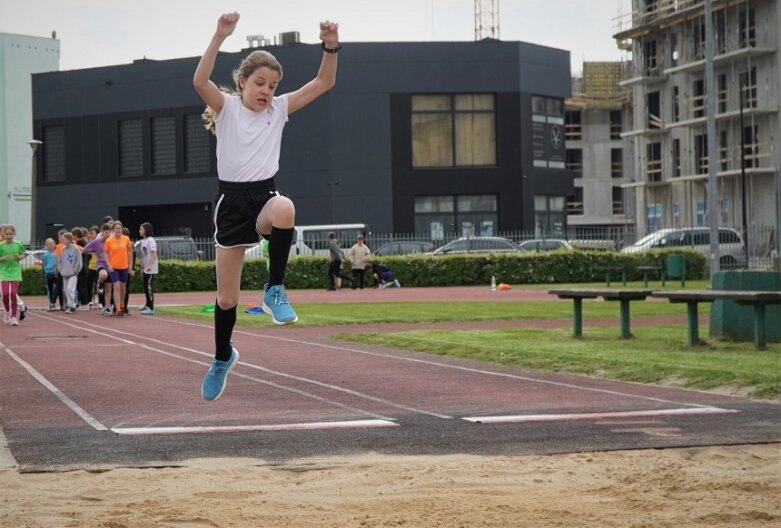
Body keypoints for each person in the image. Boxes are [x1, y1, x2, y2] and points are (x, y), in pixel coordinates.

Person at [194, 12, 340, 401]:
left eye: (273, 86)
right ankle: (223, 356)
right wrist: (219, 35)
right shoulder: (226, 108)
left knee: (286, 208)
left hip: (264, 197)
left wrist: (330, 45)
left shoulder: (278, 110)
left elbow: (325, 81)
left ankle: (275, 289)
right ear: (242, 82)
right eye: (260, 83)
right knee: (227, 300)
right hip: (231, 204)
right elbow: (199, 81)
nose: (267, 92)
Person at [103, 221, 133, 316]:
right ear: (113, 230)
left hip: (124, 266)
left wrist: (130, 266)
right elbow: (105, 253)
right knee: (116, 286)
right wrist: (108, 264)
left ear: (122, 229)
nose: (118, 230)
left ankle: (122, 304)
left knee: (123, 288)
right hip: (114, 267)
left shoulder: (126, 239)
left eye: (119, 228)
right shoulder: (109, 240)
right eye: (116, 229)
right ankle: (118, 309)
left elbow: (129, 253)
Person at [0, 224, 27, 326]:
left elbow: (24, 254)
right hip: (3, 272)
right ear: (3, 234)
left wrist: (19, 257)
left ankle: (14, 317)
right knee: (5, 294)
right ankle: (7, 311)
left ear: (14, 234)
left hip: (15, 271)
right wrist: (2, 258)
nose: (9, 236)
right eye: (7, 234)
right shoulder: (1, 245)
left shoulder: (18, 244)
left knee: (13, 294)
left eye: (10, 234)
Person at [83, 223, 112, 312]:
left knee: (108, 288)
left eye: (109, 233)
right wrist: (93, 253)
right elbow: (85, 250)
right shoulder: (97, 241)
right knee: (103, 275)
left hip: (111, 265)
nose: (108, 234)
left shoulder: (111, 241)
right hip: (101, 264)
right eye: (106, 232)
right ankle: (99, 282)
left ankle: (107, 306)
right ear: (102, 232)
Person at [56, 232, 83, 314]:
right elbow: (59, 260)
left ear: (69, 239)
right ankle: (70, 305)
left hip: (73, 274)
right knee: (65, 290)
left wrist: (75, 270)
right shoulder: (63, 249)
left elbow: (78, 261)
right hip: (65, 273)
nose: (62, 240)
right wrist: (60, 269)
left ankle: (72, 305)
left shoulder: (75, 249)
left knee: (70, 289)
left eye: (64, 239)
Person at [138, 222, 158, 315]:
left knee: (149, 286)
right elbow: (144, 255)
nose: (139, 231)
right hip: (146, 268)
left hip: (151, 269)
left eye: (141, 229)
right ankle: (147, 304)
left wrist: (150, 265)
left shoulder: (151, 240)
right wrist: (142, 266)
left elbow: (154, 253)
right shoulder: (143, 241)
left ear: (146, 230)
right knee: (145, 286)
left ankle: (151, 308)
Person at [41, 237, 58, 310]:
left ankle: (58, 302)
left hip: (57, 272)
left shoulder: (57, 252)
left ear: (54, 244)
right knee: (50, 289)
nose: (51, 245)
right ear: (46, 245)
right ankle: (51, 303)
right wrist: (45, 272)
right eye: (49, 244)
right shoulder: (45, 255)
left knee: (57, 288)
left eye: (52, 243)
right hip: (49, 273)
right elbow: (44, 264)